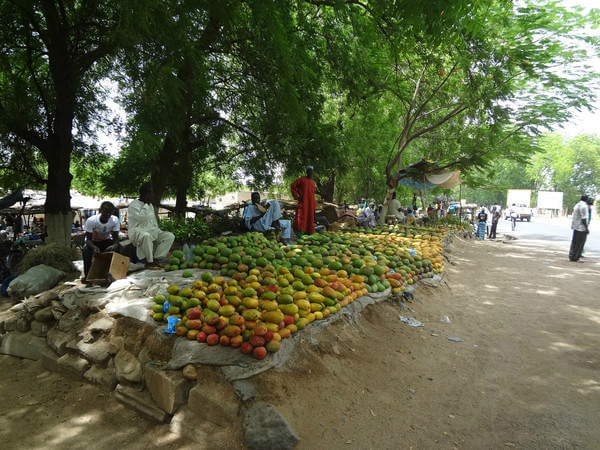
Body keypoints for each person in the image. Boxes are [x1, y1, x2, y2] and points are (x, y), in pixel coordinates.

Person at [128, 183, 175, 269]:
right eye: (151, 193)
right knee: (146, 236)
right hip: (137, 231)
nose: (153, 196)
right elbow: (141, 218)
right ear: (145, 194)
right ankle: (149, 262)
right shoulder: (134, 205)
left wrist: (159, 232)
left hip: (152, 231)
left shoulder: (151, 206)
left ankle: (156, 259)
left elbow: (153, 222)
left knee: (169, 236)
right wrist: (146, 204)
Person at [82, 201, 121, 282]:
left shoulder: (114, 220)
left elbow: (116, 237)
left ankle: (115, 274)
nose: (107, 214)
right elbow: (88, 239)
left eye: (109, 212)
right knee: (86, 251)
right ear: (100, 210)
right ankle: (88, 277)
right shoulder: (91, 221)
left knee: (120, 248)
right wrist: (93, 247)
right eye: (105, 211)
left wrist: (115, 245)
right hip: (93, 242)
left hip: (106, 241)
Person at [291, 166, 316, 237]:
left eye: (311, 171)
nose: (310, 173)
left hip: (311, 205)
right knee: (302, 219)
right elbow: (293, 186)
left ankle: (310, 235)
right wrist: (297, 197)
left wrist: (314, 208)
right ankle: (301, 236)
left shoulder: (313, 183)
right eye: (309, 171)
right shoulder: (302, 179)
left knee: (310, 220)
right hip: (303, 204)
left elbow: (313, 196)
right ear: (306, 172)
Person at [569, 194, 590, 262]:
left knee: (574, 242)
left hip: (575, 226)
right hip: (581, 228)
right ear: (586, 199)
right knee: (580, 243)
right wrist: (586, 228)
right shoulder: (584, 206)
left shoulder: (577, 205)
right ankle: (576, 257)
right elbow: (584, 219)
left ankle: (572, 256)